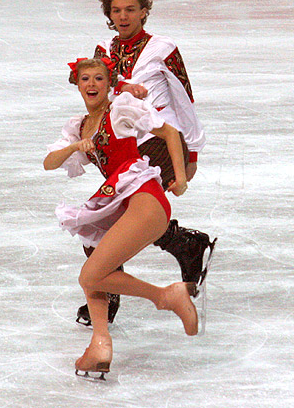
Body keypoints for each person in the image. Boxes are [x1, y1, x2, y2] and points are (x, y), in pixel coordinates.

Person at [73, 0, 216, 326]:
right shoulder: (104, 51)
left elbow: (184, 98)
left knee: (116, 221)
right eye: (116, 10)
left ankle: (108, 291)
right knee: (114, 218)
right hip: (121, 145)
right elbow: (100, 90)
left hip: (161, 142)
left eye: (130, 9)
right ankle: (184, 243)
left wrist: (192, 151)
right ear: (109, 15)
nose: (123, 16)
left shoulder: (163, 48)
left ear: (144, 12)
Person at [44, 58, 198, 379]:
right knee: (93, 255)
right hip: (118, 200)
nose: (92, 84)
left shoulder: (119, 111)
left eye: (99, 78)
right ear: (77, 83)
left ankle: (167, 296)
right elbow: (49, 162)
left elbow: (169, 133)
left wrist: (180, 179)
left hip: (144, 196)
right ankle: (100, 344)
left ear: (108, 83)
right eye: (85, 78)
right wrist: (76, 145)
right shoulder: (80, 127)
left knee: (89, 276)